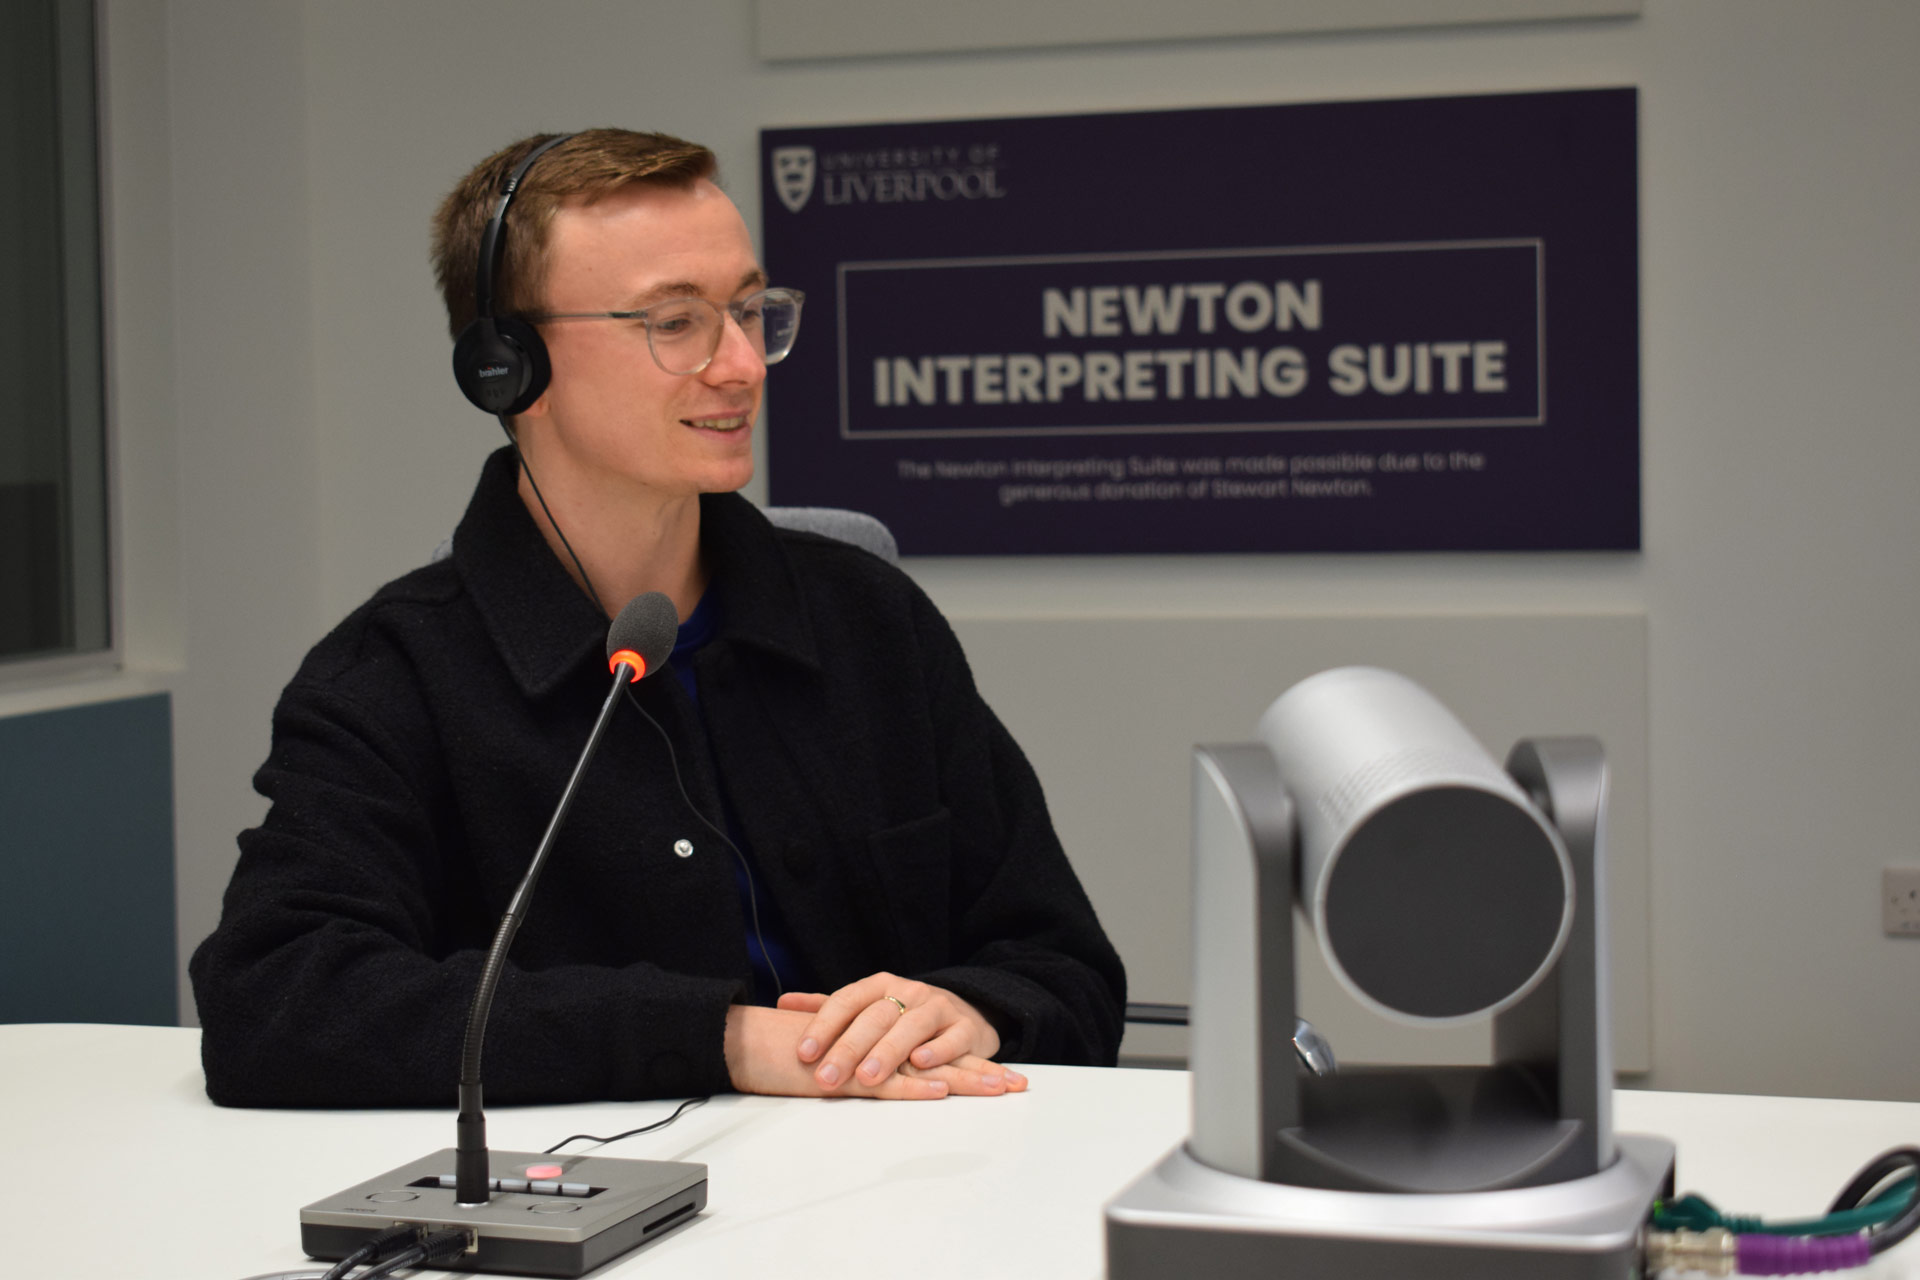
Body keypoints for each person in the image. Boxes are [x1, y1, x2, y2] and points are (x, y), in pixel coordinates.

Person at [188, 128, 1126, 1108]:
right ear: (509, 367)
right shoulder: (392, 674)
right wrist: (716, 1039)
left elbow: (1067, 967)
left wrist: (974, 1006)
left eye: (751, 311)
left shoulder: (869, 617)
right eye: (676, 322)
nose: (743, 364)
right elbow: (274, 1000)